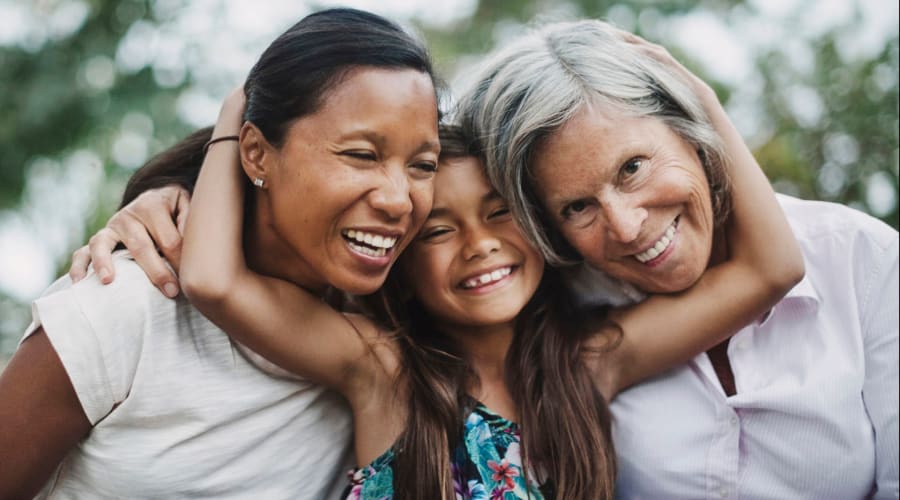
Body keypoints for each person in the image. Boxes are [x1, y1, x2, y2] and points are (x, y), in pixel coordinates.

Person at [66, 35, 803, 498]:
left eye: (498, 212)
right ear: (401, 262)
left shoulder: (591, 362)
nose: (478, 245)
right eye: (437, 231)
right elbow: (213, 281)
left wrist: (697, 102)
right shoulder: (382, 370)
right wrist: (237, 117)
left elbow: (773, 267)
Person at [0, 8, 443, 499]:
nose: (398, 199)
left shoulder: (393, 337)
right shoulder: (125, 306)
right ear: (255, 152)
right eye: (361, 155)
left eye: (423, 165)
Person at [455, 19, 900, 499]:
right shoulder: (564, 328)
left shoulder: (863, 259)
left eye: (633, 168)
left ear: (693, 131)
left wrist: (706, 102)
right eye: (577, 207)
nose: (626, 227)